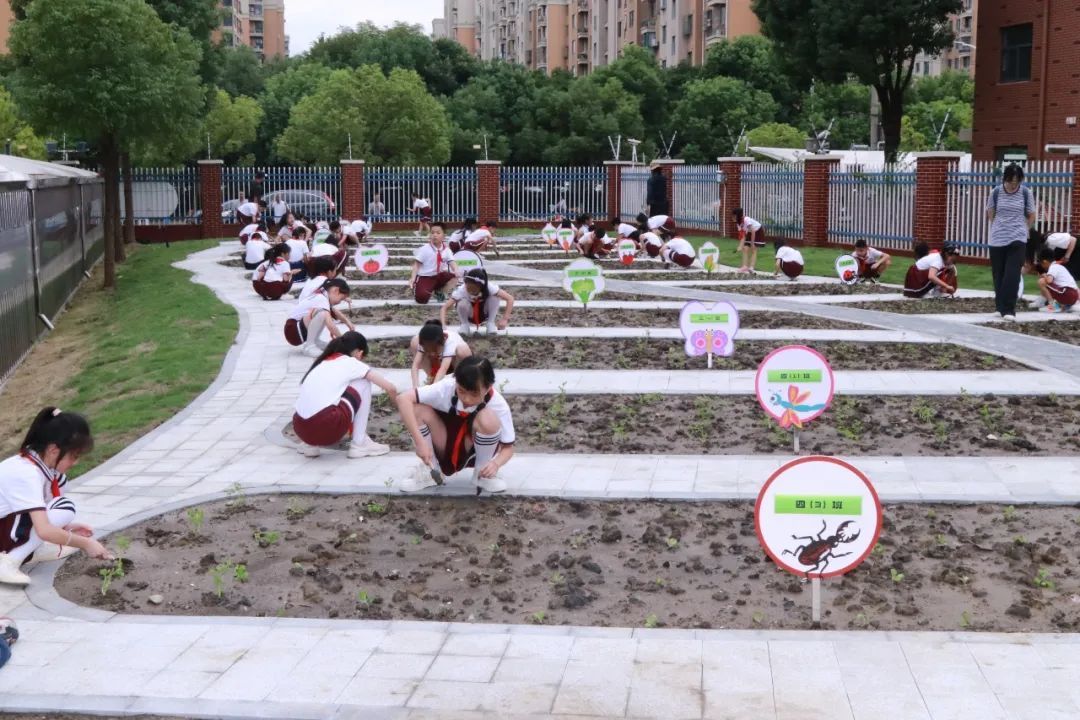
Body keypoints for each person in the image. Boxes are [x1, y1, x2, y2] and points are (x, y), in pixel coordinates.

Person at [0, 408, 113, 586]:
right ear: (53, 450)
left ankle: (31, 550)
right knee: (64, 506)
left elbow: (41, 514)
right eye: (73, 456)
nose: (75, 462)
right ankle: (9, 560)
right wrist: (85, 543)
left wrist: (65, 528)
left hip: (5, 525)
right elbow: (44, 530)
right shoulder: (26, 473)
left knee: (62, 504)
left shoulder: (42, 468)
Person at [397, 357, 514, 494]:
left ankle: (482, 475)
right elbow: (403, 399)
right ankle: (431, 471)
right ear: (455, 381)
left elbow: (508, 448)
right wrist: (420, 442)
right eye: (461, 391)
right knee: (416, 409)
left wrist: (496, 463)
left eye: (474, 394)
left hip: (472, 449)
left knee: (488, 418)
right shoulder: (445, 388)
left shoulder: (498, 405)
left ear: (488, 388)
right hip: (443, 442)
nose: (467, 399)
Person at [292, 332, 396, 459]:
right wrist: (399, 405)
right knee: (363, 382)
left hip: (301, 428)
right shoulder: (351, 363)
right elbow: (390, 388)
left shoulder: (321, 363)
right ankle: (359, 444)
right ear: (359, 353)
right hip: (326, 425)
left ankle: (310, 445)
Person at [986, 163, 1036, 321]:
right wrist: (999, 226)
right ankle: (999, 307)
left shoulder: (1026, 192)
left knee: (1012, 274)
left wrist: (1025, 228)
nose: (1013, 184)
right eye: (1010, 181)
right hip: (998, 239)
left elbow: (1031, 214)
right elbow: (991, 213)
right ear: (1005, 179)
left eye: (1017, 181)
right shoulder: (996, 192)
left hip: (1018, 238)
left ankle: (1009, 309)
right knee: (998, 274)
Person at [284, 278, 355, 357]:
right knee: (322, 314)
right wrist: (343, 341)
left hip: (294, 329)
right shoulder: (321, 299)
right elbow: (330, 325)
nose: (339, 302)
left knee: (325, 313)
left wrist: (347, 322)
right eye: (341, 299)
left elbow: (334, 311)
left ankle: (315, 341)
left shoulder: (322, 295)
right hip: (293, 330)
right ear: (336, 290)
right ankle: (309, 346)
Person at [442, 268, 515, 336]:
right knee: (461, 302)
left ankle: (490, 323)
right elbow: (444, 308)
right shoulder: (462, 290)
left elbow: (510, 299)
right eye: (468, 289)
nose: (471, 291)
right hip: (470, 314)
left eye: (474, 290)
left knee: (494, 297)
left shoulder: (489, 287)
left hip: (484, 313)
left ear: (481, 287)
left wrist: (505, 319)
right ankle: (464, 324)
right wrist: (443, 326)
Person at [409, 320, 472, 388]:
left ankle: (459, 381)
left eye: (435, 350)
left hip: (454, 365)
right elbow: (415, 366)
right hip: (438, 363)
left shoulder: (450, 341)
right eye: (428, 350)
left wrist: (433, 389)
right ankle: (432, 377)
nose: (432, 354)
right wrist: (415, 387)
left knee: (462, 350)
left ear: (444, 340)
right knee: (415, 341)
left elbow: (443, 369)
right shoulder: (425, 341)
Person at [410, 223, 458, 305]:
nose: (435, 235)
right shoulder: (425, 249)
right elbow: (417, 265)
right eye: (432, 233)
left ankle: (440, 291)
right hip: (425, 277)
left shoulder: (446, 250)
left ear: (444, 236)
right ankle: (419, 287)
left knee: (455, 277)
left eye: (438, 233)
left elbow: (452, 262)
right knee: (422, 299)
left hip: (438, 276)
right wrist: (413, 278)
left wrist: (456, 270)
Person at [1035, 246, 1078, 313]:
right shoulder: (1059, 267)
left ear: (1044, 262)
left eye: (1040, 263)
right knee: (1047, 284)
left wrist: (1044, 275)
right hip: (1073, 296)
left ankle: (1053, 306)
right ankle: (1065, 306)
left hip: (1067, 294)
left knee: (1041, 281)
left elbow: (1049, 280)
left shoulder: (1053, 267)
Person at [732, 208, 764, 274]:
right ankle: (745, 266)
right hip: (750, 232)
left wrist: (752, 243)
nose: (732, 217)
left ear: (737, 216)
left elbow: (753, 231)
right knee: (745, 248)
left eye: (734, 216)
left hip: (757, 231)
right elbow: (743, 236)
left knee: (753, 249)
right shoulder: (738, 224)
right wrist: (740, 246)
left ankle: (751, 268)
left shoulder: (746, 220)